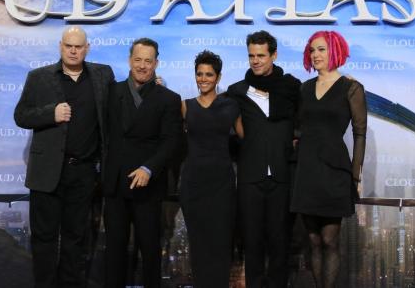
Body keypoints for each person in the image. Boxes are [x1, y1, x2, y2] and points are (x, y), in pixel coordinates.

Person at [14, 26, 114, 288]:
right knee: (44, 240)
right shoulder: (38, 77)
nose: (73, 50)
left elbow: (121, 101)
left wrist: (154, 83)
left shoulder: (103, 75)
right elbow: (21, 115)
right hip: (46, 173)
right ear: (60, 46)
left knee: (76, 240)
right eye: (68, 45)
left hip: (83, 173)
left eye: (78, 46)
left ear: (87, 49)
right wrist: (51, 113)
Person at [103, 37, 182, 288]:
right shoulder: (111, 92)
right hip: (115, 183)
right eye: (138, 59)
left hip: (149, 184)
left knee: (149, 250)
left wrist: (149, 167)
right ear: (129, 60)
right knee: (114, 251)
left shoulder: (169, 98)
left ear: (156, 63)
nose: (142, 66)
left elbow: (172, 142)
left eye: (148, 61)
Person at [290, 31, 367, 288]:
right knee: (312, 241)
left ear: (335, 50)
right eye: (312, 50)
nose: (316, 55)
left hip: (335, 170)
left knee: (330, 241)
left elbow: (359, 133)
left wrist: (355, 176)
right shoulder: (304, 88)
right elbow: (297, 127)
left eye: (321, 49)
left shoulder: (351, 87)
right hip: (307, 170)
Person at [227, 30, 301, 288]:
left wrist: (342, 80)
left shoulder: (292, 87)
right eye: (251, 55)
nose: (255, 60)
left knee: (281, 247)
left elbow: (311, 113)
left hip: (282, 178)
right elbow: (211, 112)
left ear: (274, 55)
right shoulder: (237, 91)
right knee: (253, 246)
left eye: (261, 55)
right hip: (250, 178)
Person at [180, 50, 242, 287]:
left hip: (222, 185)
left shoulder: (231, 106)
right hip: (193, 184)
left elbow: (247, 137)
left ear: (218, 77)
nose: (203, 78)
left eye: (209, 74)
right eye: (199, 74)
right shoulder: (184, 107)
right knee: (198, 244)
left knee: (220, 244)